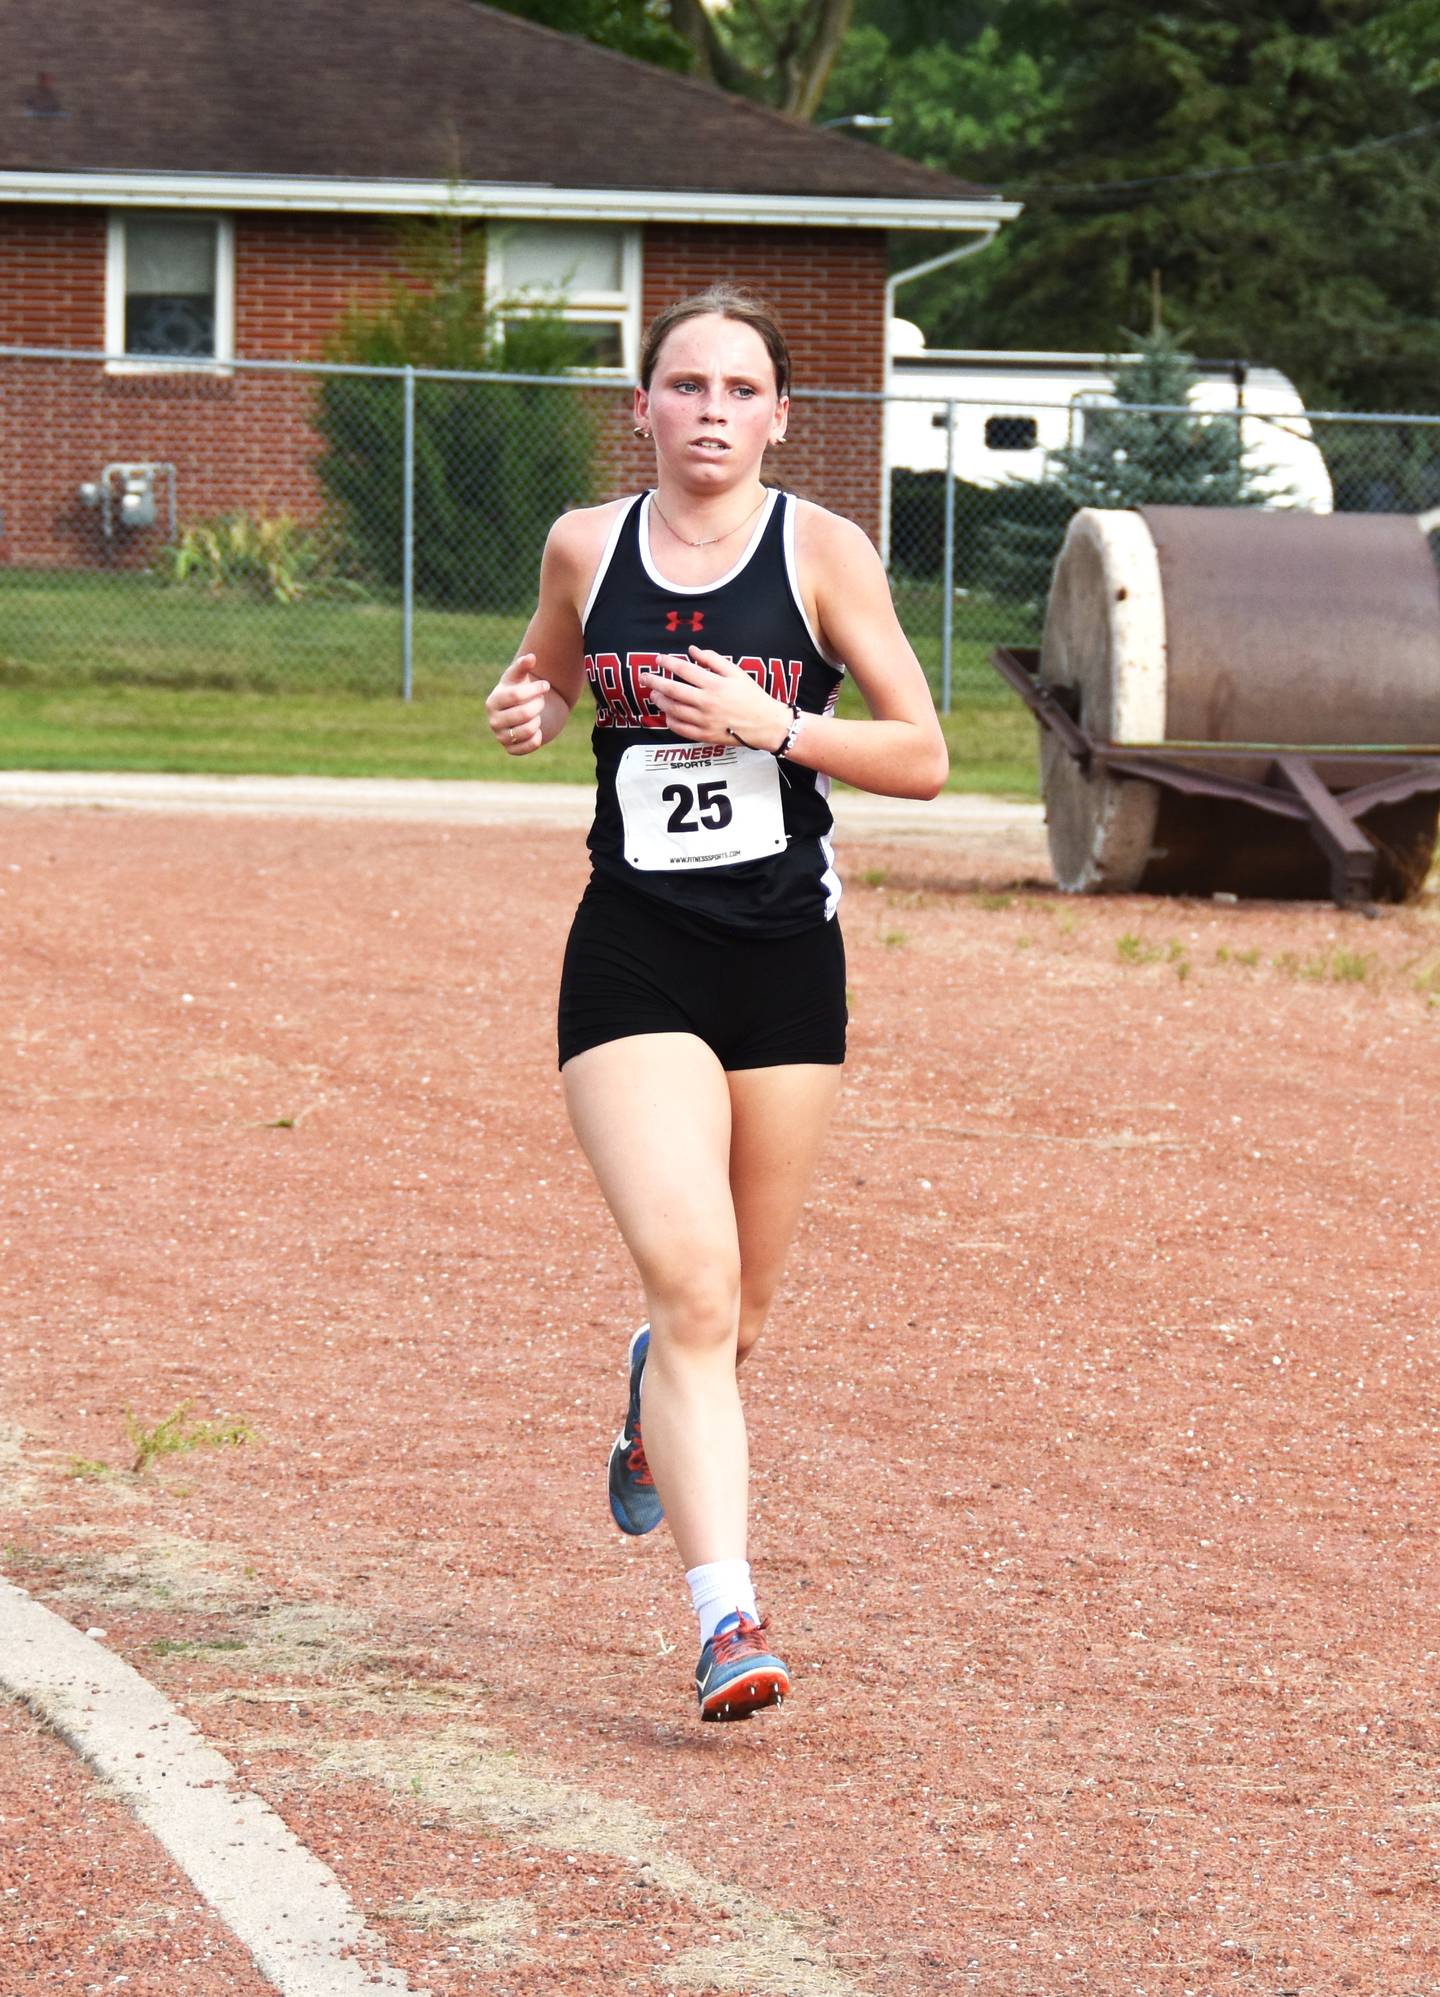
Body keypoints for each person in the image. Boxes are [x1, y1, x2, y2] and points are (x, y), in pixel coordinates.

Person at [485, 286, 947, 1722]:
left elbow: (924, 753)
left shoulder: (822, 552)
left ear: (780, 415)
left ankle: (653, 1397)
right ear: (643, 407)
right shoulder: (586, 542)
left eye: (740, 390)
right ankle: (725, 1613)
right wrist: (536, 708)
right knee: (691, 1279)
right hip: (632, 950)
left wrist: (778, 724)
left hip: (782, 962)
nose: (711, 412)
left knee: (736, 1313)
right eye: (685, 386)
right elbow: (548, 667)